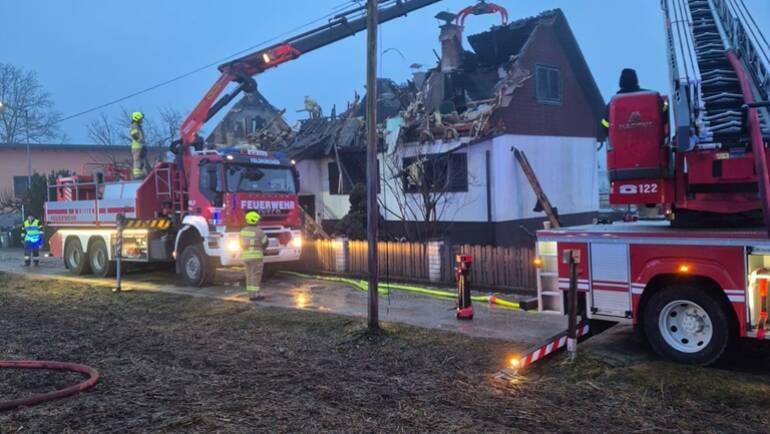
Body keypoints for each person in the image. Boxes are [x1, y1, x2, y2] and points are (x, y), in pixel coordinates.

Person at [601, 68, 667, 133]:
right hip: (651, 140)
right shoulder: (652, 98)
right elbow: (664, 114)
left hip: (623, 142)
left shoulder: (613, 104)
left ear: (621, 82)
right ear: (636, 80)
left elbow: (605, 125)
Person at [240, 211, 269, 301]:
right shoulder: (259, 232)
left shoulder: (243, 231)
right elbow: (265, 242)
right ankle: (255, 295)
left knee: (249, 275)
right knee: (256, 275)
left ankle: (250, 293)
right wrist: (262, 249)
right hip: (256, 257)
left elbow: (240, 244)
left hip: (246, 256)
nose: (258, 221)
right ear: (254, 220)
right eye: (257, 220)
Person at [129, 111, 151, 179]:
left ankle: (141, 173)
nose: (142, 120)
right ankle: (137, 175)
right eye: (140, 118)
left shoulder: (137, 126)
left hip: (140, 146)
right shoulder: (134, 126)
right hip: (137, 147)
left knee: (141, 160)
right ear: (137, 118)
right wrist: (140, 141)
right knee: (137, 160)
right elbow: (134, 135)